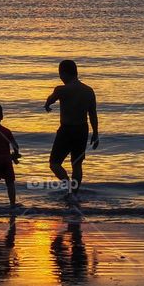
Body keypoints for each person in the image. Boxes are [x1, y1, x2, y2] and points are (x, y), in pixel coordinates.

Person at [44, 59, 98, 197]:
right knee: (77, 165)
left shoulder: (62, 90)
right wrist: (95, 133)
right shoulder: (89, 91)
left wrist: (47, 105)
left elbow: (50, 100)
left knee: (54, 164)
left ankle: (68, 186)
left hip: (67, 130)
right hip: (82, 130)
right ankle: (74, 193)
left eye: (60, 74)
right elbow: (92, 114)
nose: (60, 78)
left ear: (65, 73)